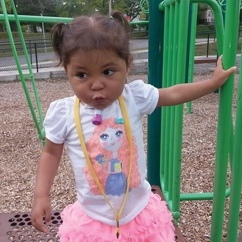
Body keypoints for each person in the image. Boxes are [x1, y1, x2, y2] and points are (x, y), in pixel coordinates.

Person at [30, 10, 236, 242]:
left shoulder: (133, 98)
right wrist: (41, 195)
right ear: (67, 72)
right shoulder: (64, 113)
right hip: (94, 218)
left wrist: (212, 83)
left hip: (139, 212)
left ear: (127, 66)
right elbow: (50, 153)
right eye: (82, 75)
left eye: (108, 72)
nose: (97, 85)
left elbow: (174, 93)